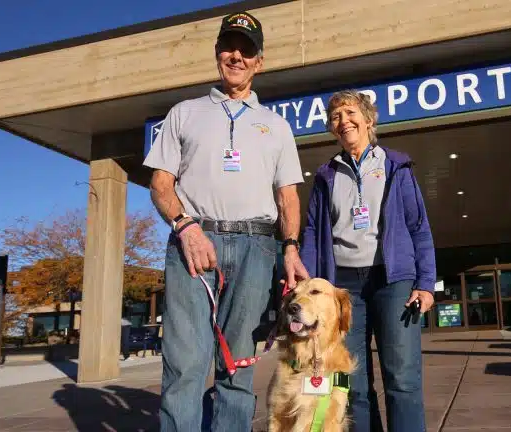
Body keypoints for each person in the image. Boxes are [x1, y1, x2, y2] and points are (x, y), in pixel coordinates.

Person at [143, 11, 308, 432]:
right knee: (186, 362)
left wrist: (290, 248)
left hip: (257, 247)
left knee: (238, 366)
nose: (236, 56)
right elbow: (161, 184)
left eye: (246, 50)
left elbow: (287, 196)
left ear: (259, 61)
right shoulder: (184, 113)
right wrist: (186, 227)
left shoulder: (277, 126)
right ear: (217, 53)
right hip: (195, 243)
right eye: (229, 47)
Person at [300, 90, 437, 431]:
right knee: (352, 380)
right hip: (343, 289)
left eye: (349, 113)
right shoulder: (325, 176)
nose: (343, 121)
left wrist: (426, 283)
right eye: (336, 117)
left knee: (402, 378)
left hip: (393, 282)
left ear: (368, 120)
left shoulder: (396, 166)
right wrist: (306, 291)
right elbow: (312, 234)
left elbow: (419, 227)